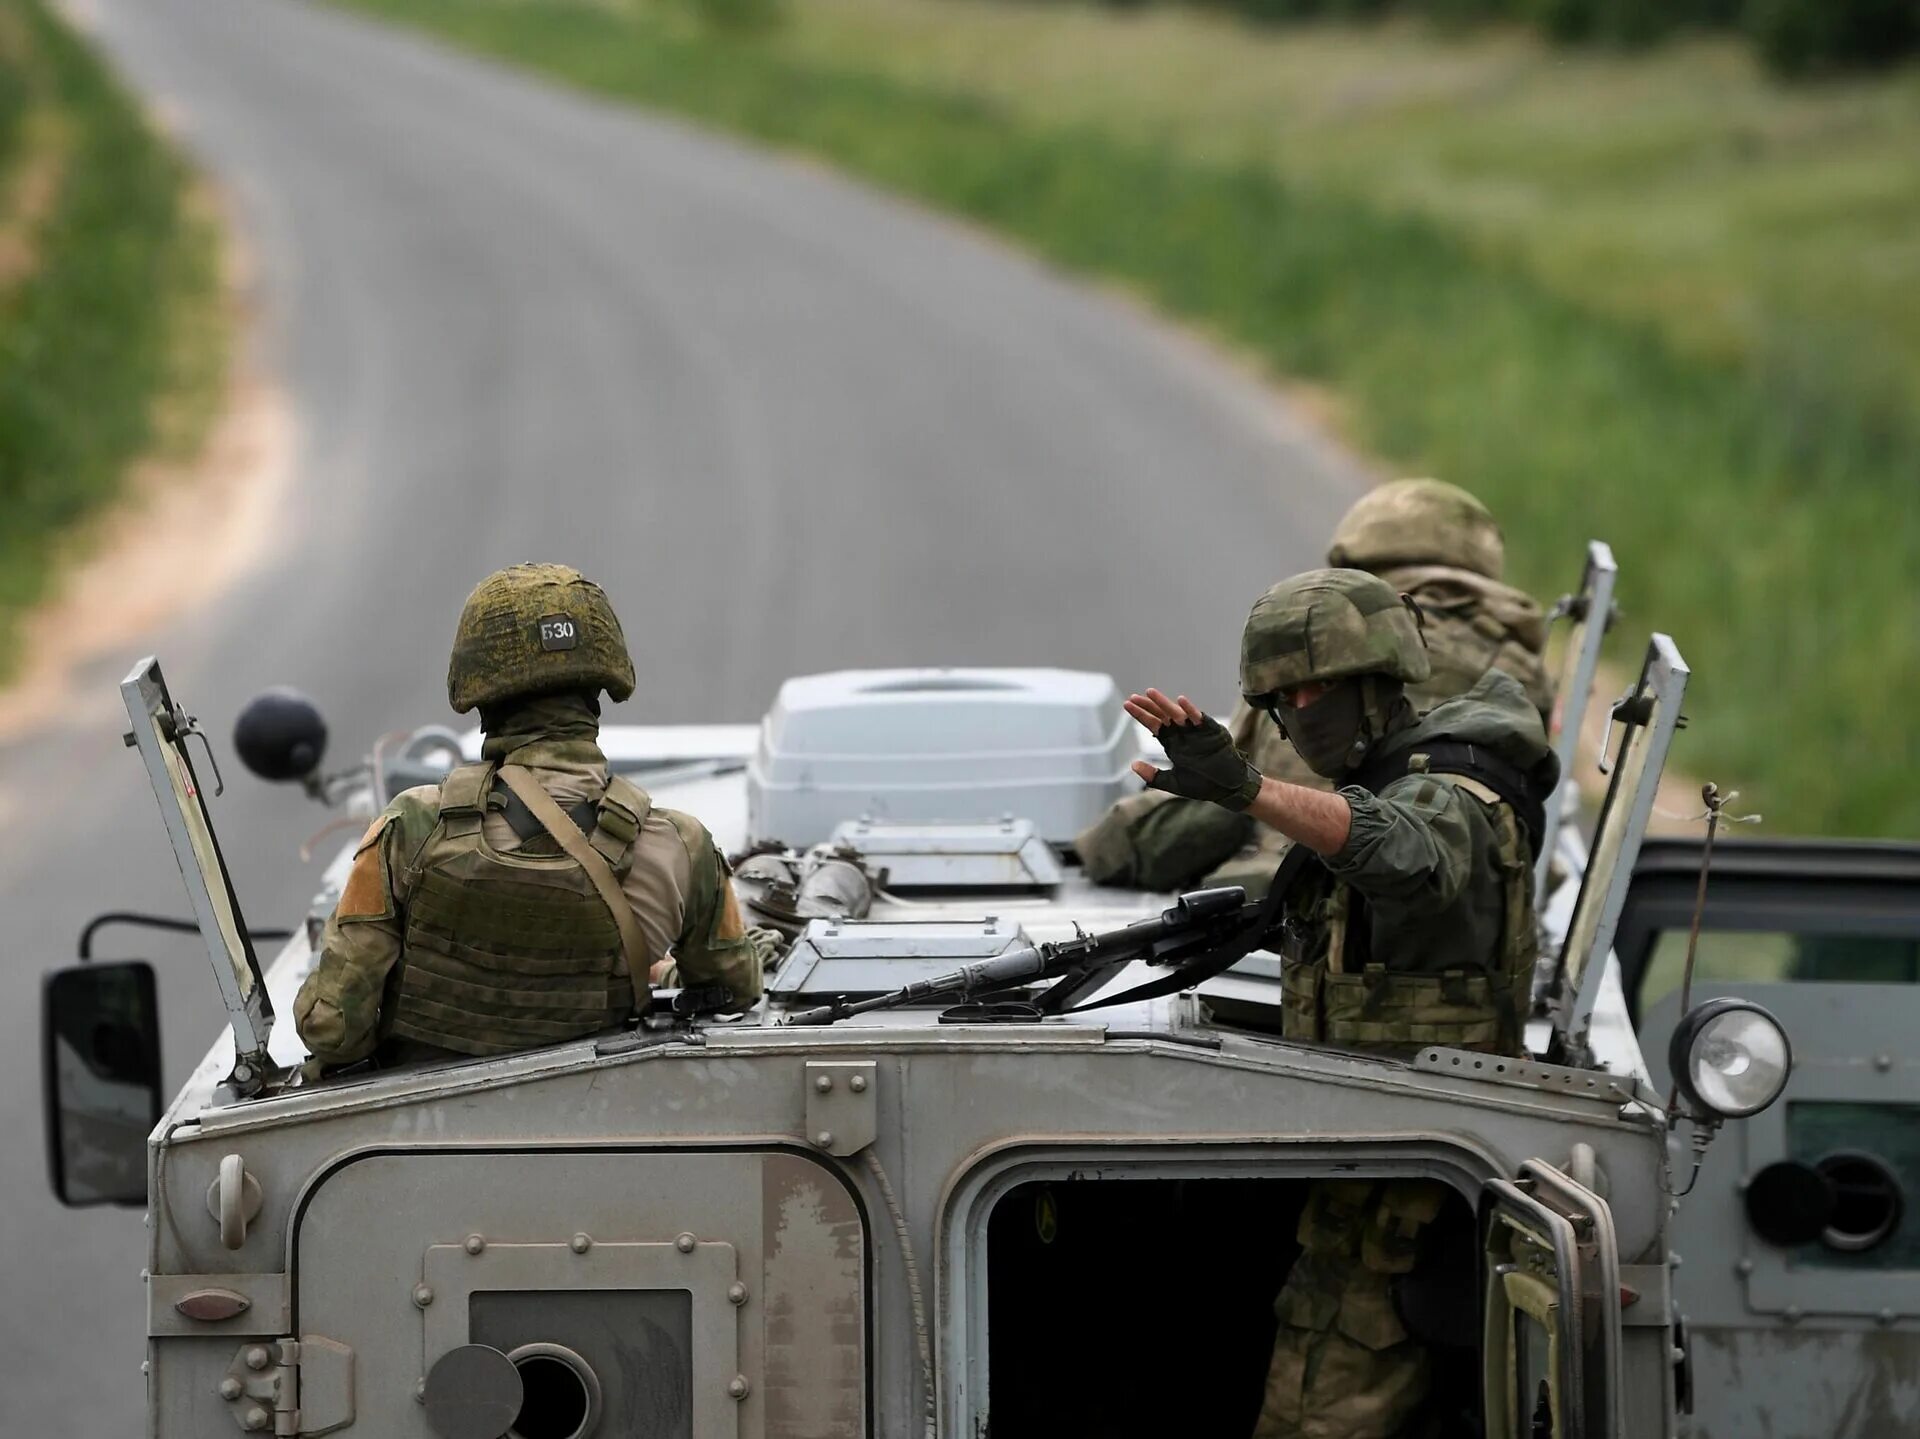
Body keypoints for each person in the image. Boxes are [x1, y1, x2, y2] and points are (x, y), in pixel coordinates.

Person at [1124, 567, 1557, 1439]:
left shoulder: (1452, 786)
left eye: (1318, 687)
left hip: (1416, 1193)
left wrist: (1247, 790)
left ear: (1380, 680)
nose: (1302, 711)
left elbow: (1405, 853)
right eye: (1283, 698)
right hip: (1370, 1172)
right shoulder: (1398, 772)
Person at [294, 563, 766, 1069]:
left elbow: (334, 1029)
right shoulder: (682, 845)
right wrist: (663, 976)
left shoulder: (412, 828)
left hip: (420, 1137)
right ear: (600, 685)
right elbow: (734, 990)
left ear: (481, 690)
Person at [1076, 478, 1551, 896]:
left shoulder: (1323, 634)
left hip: (1310, 880)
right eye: (1289, 699)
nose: (1303, 708)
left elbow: (1243, 781)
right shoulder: (1512, 661)